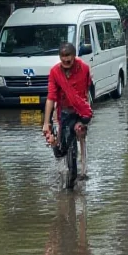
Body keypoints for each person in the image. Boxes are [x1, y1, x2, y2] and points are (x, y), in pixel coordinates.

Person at [42, 43, 93, 188]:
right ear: (59, 58)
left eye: (68, 59)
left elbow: (88, 91)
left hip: (81, 112)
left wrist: (87, 113)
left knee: (78, 130)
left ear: (74, 56)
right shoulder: (55, 72)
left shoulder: (84, 68)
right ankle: (54, 142)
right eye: (63, 59)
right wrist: (47, 122)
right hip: (64, 112)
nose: (66, 62)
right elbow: (51, 97)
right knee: (61, 151)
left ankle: (78, 175)